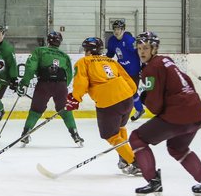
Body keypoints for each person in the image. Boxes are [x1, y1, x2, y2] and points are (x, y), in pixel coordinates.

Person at [130, 31, 201, 196]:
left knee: (137, 138)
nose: (142, 52)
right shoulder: (167, 61)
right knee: (177, 148)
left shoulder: (151, 68)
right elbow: (188, 83)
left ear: (154, 49)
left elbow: (156, 106)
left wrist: (144, 98)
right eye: (139, 48)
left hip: (178, 115)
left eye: (146, 48)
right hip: (194, 113)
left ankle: (153, 182)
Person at [65, 37, 140, 175]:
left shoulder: (84, 61)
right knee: (120, 129)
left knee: (110, 135)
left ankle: (137, 163)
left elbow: (81, 82)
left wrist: (75, 99)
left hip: (109, 101)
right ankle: (124, 158)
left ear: (88, 50)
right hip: (127, 98)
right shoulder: (111, 61)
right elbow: (128, 80)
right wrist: (129, 93)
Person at [16, 31, 84, 147]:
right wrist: (61, 87)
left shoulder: (40, 51)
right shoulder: (65, 56)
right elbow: (69, 74)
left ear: (48, 41)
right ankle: (75, 135)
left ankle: (25, 134)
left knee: (35, 110)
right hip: (61, 86)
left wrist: (25, 83)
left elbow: (30, 67)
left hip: (44, 84)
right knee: (65, 110)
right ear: (60, 43)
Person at [106, 20, 145, 121]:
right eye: (114, 29)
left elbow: (140, 53)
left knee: (131, 92)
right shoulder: (112, 41)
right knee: (120, 91)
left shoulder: (130, 40)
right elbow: (110, 54)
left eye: (118, 29)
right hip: (121, 70)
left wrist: (144, 66)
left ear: (123, 30)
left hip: (134, 71)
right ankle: (134, 110)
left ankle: (138, 109)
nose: (116, 31)